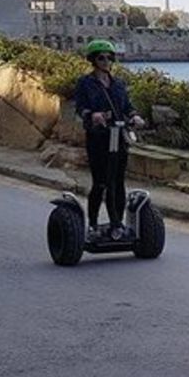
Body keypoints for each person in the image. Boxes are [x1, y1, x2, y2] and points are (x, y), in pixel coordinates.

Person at [73, 40, 145, 241]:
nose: (106, 61)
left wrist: (135, 117)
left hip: (118, 136)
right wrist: (93, 115)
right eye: (101, 57)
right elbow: (80, 108)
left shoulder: (118, 84)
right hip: (98, 137)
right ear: (93, 61)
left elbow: (127, 107)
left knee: (118, 181)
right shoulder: (85, 83)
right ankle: (94, 224)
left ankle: (117, 224)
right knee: (101, 182)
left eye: (109, 57)